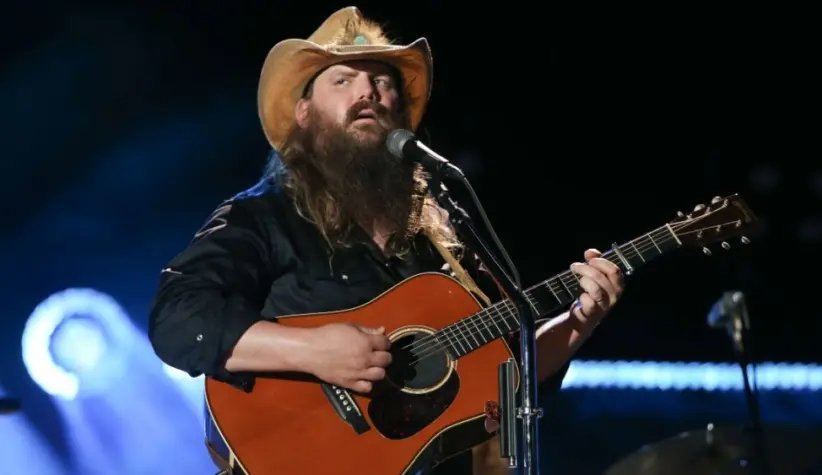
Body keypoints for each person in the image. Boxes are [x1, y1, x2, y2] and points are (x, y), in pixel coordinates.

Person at [148, 7, 625, 475]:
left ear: (400, 111)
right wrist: (312, 351)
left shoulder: (441, 233)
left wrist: (580, 321)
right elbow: (178, 318)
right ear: (304, 112)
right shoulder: (264, 214)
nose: (367, 93)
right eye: (343, 80)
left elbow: (502, 373)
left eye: (381, 82)